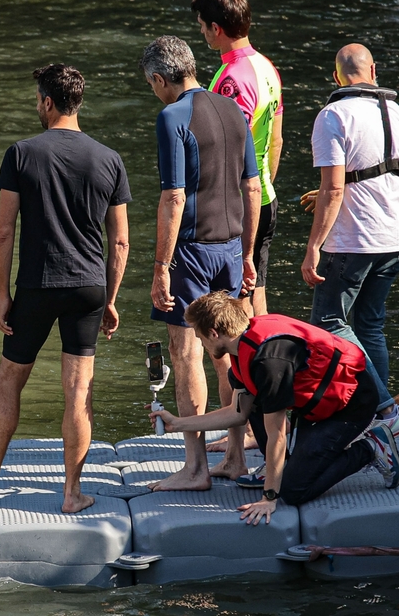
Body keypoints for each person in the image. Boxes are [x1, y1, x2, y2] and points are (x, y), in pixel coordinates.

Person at [0, 64, 131, 514]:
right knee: (78, 391)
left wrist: (1, 294)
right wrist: (109, 299)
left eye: (37, 100)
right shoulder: (109, 158)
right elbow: (122, 240)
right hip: (89, 286)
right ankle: (72, 494)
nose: (37, 106)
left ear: (47, 102)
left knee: (9, 381)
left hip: (37, 284)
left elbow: (2, 233)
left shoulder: (22, 153)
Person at [149, 291, 399, 525]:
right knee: (255, 403)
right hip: (314, 404)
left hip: (350, 405)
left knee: (292, 491)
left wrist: (269, 497)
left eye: (199, 335)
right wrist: (177, 423)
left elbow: (277, 435)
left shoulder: (268, 362)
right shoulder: (241, 347)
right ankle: (282, 470)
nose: (200, 341)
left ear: (214, 333)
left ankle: (371, 447)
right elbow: (238, 413)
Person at [139, 35, 261, 492]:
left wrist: (160, 267)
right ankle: (235, 456)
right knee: (229, 352)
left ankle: (195, 468)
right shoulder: (232, 109)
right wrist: (248, 254)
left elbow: (174, 196)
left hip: (190, 250)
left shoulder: (172, 116)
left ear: (158, 78)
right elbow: (253, 188)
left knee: (186, 352)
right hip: (230, 248)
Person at [300, 44, 399, 436]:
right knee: (369, 324)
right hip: (395, 235)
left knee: (329, 322)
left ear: (336, 77)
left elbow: (333, 189)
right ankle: (377, 414)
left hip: (354, 241)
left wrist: (313, 245)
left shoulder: (332, 115)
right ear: (374, 70)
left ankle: (384, 409)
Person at [192, 0, 283, 318]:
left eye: (202, 27)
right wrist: (263, 187)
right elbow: (276, 140)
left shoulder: (232, 77)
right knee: (255, 292)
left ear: (216, 29)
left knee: (233, 308)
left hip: (238, 206)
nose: (202, 33)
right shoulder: (266, 67)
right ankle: (263, 365)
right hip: (263, 197)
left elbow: (226, 149)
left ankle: (243, 368)